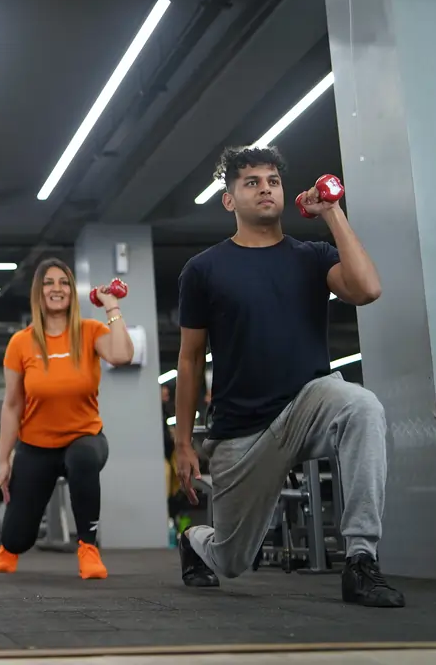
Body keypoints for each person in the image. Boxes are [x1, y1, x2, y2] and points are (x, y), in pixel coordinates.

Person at [173, 146, 404, 608]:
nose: (265, 189)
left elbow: (368, 289)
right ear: (229, 200)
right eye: (252, 182)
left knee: (362, 406)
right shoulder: (203, 269)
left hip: (308, 403)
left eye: (272, 181)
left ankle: (361, 560)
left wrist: (333, 213)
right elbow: (190, 358)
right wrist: (182, 443)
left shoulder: (313, 256)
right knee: (232, 559)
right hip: (242, 428)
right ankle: (194, 540)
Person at [0, 258, 133, 579]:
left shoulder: (90, 331)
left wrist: (111, 306)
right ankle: (9, 546)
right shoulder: (21, 342)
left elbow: (123, 355)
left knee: (83, 457)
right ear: (38, 293)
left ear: (72, 291)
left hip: (85, 437)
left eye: (64, 282)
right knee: (16, 538)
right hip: (36, 445)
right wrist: (3, 459)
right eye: (48, 283)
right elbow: (12, 405)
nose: (57, 289)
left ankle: (87, 547)